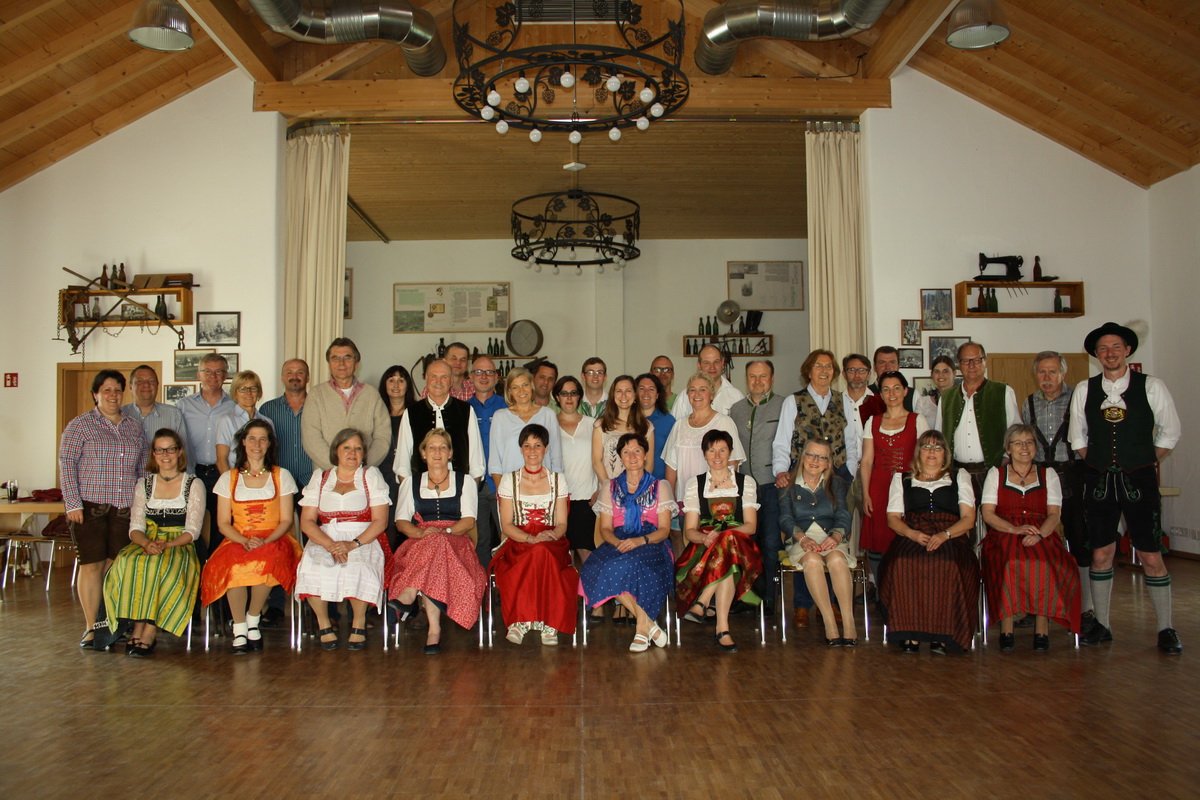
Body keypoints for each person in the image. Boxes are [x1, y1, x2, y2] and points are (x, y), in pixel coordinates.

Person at [1068, 322, 1182, 653]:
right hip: (1100, 481)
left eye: (1116, 347)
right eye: (1103, 349)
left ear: (1127, 350)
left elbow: (1170, 432)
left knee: (1150, 554)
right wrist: (1102, 463)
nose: (1110, 353)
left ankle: (1167, 628)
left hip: (1140, 480)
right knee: (1101, 552)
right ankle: (1102, 624)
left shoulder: (1152, 386)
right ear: (1096, 355)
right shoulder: (1084, 389)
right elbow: (1078, 437)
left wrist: (1143, 460)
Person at [60, 369, 148, 649]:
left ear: (125, 394)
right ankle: (90, 628)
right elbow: (67, 464)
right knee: (92, 566)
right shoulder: (80, 425)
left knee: (114, 568)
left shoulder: (134, 426)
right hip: (90, 507)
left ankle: (108, 623)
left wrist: (142, 506)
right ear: (96, 394)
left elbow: (143, 469)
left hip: (124, 509)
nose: (113, 395)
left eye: (118, 390)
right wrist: (73, 503)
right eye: (106, 390)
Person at [199, 419, 302, 654]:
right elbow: (223, 523)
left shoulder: (281, 475)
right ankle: (239, 627)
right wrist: (244, 540)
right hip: (238, 537)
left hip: (274, 537)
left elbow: (286, 520)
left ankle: (253, 617)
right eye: (252, 438)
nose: (257, 444)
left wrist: (265, 540)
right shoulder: (229, 478)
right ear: (243, 442)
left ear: (269, 444)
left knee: (266, 561)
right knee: (234, 566)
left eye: (263, 439)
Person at [102, 429, 204, 656]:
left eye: (171, 449)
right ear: (153, 454)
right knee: (128, 562)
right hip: (147, 541)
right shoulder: (143, 484)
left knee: (160, 565)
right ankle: (136, 624)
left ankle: (149, 630)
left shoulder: (193, 484)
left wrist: (167, 545)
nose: (165, 454)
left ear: (179, 452)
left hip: (180, 544)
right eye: (160, 449)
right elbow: (135, 527)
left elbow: (193, 531)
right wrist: (146, 543)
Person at [980, 424, 1081, 651]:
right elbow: (988, 513)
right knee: (1009, 561)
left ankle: (1042, 629)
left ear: (1036, 448)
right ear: (1008, 448)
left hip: (1041, 531)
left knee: (1043, 562)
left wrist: (1040, 535)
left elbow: (1054, 515)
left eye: (1029, 442)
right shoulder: (996, 474)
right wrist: (1014, 530)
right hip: (1004, 531)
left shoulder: (1049, 474)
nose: (1024, 447)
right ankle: (1007, 628)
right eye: (1018, 443)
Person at [388, 429, 488, 655]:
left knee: (439, 543)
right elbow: (402, 522)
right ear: (423, 453)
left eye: (443, 447)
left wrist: (446, 532)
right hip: (419, 541)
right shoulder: (411, 483)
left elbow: (469, 520)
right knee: (434, 549)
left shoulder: (465, 481)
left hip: (457, 541)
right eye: (431, 447)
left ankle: (410, 596)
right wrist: (421, 534)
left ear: (450, 453)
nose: (437, 452)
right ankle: (433, 630)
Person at [881, 430, 979, 653]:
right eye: (926, 446)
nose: (931, 452)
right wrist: (911, 534)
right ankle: (909, 634)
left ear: (945, 453)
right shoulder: (902, 478)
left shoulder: (959, 476)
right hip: (913, 532)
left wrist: (945, 535)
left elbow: (968, 519)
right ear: (918, 452)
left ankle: (943, 635)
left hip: (951, 535)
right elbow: (893, 519)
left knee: (948, 565)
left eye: (937, 447)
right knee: (903, 562)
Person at [296, 428, 391, 650]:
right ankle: (324, 624)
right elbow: (307, 521)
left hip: (363, 536)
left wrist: (352, 544)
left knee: (358, 566)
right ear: (336, 451)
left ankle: (358, 622)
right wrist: (330, 545)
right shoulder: (321, 477)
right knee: (312, 564)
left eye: (358, 448)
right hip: (325, 537)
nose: (352, 452)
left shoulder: (370, 476)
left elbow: (380, 521)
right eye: (346, 447)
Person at [581, 433, 675, 651]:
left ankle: (641, 630)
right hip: (618, 541)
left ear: (645, 455)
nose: (632, 456)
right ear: (620, 457)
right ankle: (650, 625)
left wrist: (640, 540)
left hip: (651, 542)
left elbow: (664, 530)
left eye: (637, 451)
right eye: (626, 452)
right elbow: (605, 529)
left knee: (628, 564)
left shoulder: (660, 486)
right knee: (594, 567)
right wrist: (619, 543)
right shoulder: (609, 487)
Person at [1021, 351, 1092, 628]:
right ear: (1035, 374)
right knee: (1034, 540)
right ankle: (1033, 604)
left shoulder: (1079, 398)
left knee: (1079, 539)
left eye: (1052, 372)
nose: (1047, 378)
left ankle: (1084, 607)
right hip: (1039, 477)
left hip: (1073, 474)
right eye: (1042, 372)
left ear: (1063, 373)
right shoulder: (1028, 403)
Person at [676, 429, 761, 654]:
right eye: (712, 450)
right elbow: (690, 531)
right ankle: (722, 628)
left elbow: (751, 527)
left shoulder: (746, 483)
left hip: (740, 546)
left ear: (730, 452)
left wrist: (724, 534)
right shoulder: (695, 484)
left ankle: (703, 600)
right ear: (704, 454)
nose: (717, 455)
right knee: (727, 558)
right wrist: (706, 538)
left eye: (722, 450)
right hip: (704, 549)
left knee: (729, 543)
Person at [492, 424, 579, 645]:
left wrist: (548, 535)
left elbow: (561, 524)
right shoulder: (508, 480)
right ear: (521, 449)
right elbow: (506, 525)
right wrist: (530, 538)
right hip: (518, 539)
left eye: (537, 445)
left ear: (546, 448)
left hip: (551, 540)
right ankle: (527, 621)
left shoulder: (557, 480)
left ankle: (539, 622)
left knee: (542, 553)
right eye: (527, 445)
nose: (532, 451)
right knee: (535, 553)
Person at [779, 439, 857, 645]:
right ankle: (830, 624)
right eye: (811, 455)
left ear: (828, 462)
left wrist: (836, 536)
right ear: (802, 457)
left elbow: (843, 514)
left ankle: (849, 623)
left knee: (837, 560)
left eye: (822, 457)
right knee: (812, 561)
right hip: (800, 539)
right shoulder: (788, 484)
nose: (815, 461)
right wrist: (802, 538)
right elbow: (785, 518)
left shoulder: (837, 484)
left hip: (832, 537)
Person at [257, 358, 314, 628]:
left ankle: (319, 603)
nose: (295, 377)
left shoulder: (318, 405)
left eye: (300, 373)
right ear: (281, 377)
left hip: (312, 482)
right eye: (289, 373)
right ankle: (277, 604)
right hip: (278, 487)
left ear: (308, 377)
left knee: (316, 543)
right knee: (279, 543)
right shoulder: (267, 410)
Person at [663, 371, 745, 555]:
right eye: (692, 390)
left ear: (712, 394)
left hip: (716, 504)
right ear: (687, 394)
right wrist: (671, 503)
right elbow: (671, 468)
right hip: (686, 501)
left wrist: (723, 497)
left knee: (716, 554)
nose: (697, 394)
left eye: (702, 389)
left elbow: (732, 465)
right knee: (688, 552)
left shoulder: (724, 422)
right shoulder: (679, 425)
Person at [859, 372, 928, 586]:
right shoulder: (873, 421)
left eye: (897, 388)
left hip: (907, 488)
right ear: (880, 394)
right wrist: (866, 493)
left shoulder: (918, 420)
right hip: (879, 488)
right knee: (878, 543)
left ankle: (903, 592)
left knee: (904, 541)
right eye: (886, 389)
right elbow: (867, 461)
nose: (892, 393)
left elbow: (925, 460)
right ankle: (882, 594)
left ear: (905, 391)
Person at [729, 360, 784, 614]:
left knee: (771, 544)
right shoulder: (736, 409)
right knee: (745, 545)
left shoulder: (784, 406)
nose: (758, 381)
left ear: (772, 379)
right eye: (752, 376)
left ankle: (771, 598)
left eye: (763, 376)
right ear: (746, 379)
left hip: (772, 486)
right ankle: (746, 597)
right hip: (744, 489)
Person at [939, 341, 1020, 501]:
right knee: (962, 522)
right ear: (958, 364)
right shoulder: (947, 397)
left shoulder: (1003, 392)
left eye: (976, 360)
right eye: (965, 361)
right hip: (957, 474)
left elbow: (1015, 433)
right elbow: (941, 438)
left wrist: (1005, 459)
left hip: (992, 472)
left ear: (985, 362)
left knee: (992, 520)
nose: (971, 365)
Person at [177, 353, 236, 560]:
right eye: (208, 371)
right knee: (192, 526)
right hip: (194, 474)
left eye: (218, 371)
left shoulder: (234, 406)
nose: (213, 376)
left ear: (226, 375)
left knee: (224, 528)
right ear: (198, 374)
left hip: (223, 474)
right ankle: (197, 572)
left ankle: (218, 575)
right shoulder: (183, 407)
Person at [301, 337, 391, 471]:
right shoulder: (316, 394)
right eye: (335, 358)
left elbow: (383, 437)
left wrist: (362, 466)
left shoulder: (372, 394)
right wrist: (338, 469)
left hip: (364, 475)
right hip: (327, 476)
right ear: (329, 364)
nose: (341, 363)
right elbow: (311, 439)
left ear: (356, 363)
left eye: (347, 357)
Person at [392, 359, 484, 486]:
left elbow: (476, 460)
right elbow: (402, 463)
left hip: (459, 487)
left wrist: (469, 492)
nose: (438, 382)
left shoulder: (466, 410)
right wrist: (412, 494)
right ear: (426, 379)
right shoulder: (412, 412)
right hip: (422, 489)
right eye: (433, 377)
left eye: (444, 377)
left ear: (451, 381)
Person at [555, 376, 599, 572]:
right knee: (564, 557)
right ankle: (569, 601)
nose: (569, 398)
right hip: (559, 499)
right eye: (564, 393)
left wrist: (601, 489)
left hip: (587, 498)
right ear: (557, 397)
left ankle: (593, 601)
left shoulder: (593, 424)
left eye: (573, 393)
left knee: (587, 553)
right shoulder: (549, 424)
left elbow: (603, 460)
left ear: (580, 396)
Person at [489, 367, 564, 481]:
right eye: (515, 387)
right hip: (511, 487)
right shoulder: (500, 417)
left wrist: (555, 489)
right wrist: (502, 493)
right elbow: (495, 463)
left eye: (525, 385)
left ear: (532, 386)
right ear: (509, 391)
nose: (521, 391)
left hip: (543, 487)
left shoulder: (548, 415)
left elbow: (556, 458)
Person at [468, 356, 507, 565]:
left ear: (496, 377)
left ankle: (505, 589)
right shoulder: (463, 409)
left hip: (502, 482)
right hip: (475, 486)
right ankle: (483, 592)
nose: (484, 377)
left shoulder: (507, 407)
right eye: (479, 372)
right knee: (479, 540)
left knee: (506, 537)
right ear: (471, 377)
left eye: (489, 372)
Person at [592, 375, 654, 484]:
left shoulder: (647, 427)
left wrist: (639, 488)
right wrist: (610, 489)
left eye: (628, 391)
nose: (623, 395)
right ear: (613, 395)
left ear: (635, 395)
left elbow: (649, 463)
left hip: (637, 492)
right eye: (619, 391)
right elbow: (596, 461)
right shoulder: (601, 425)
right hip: (609, 492)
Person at [215, 370, 274, 471]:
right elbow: (221, 460)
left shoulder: (267, 422)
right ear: (235, 393)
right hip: (235, 479)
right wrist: (231, 484)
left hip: (262, 478)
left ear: (259, 392)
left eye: (253, 388)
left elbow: (270, 456)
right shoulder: (226, 420)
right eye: (242, 389)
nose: (248, 393)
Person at [671, 344, 745, 419]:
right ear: (699, 365)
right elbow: (676, 427)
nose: (712, 367)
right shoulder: (685, 397)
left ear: (722, 363)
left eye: (716, 362)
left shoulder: (736, 397)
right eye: (706, 363)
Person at [121, 364, 189, 444]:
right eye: (140, 381)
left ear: (157, 386)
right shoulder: (121, 414)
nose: (146, 385)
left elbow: (183, 450)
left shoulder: (174, 415)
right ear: (130, 387)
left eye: (151, 381)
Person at [636, 372, 675, 482]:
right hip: (628, 484)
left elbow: (673, 458)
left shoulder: (669, 421)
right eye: (642, 388)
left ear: (658, 394)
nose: (646, 393)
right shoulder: (626, 420)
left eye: (651, 389)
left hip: (659, 484)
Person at [842, 353, 883, 435]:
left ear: (869, 375)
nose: (857, 375)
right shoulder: (836, 402)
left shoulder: (881, 403)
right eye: (851, 370)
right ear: (844, 374)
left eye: (862, 370)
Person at [913, 355, 956, 431]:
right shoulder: (922, 402)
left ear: (954, 374)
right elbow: (918, 431)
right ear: (932, 374)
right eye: (937, 371)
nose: (941, 375)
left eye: (945, 371)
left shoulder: (962, 399)